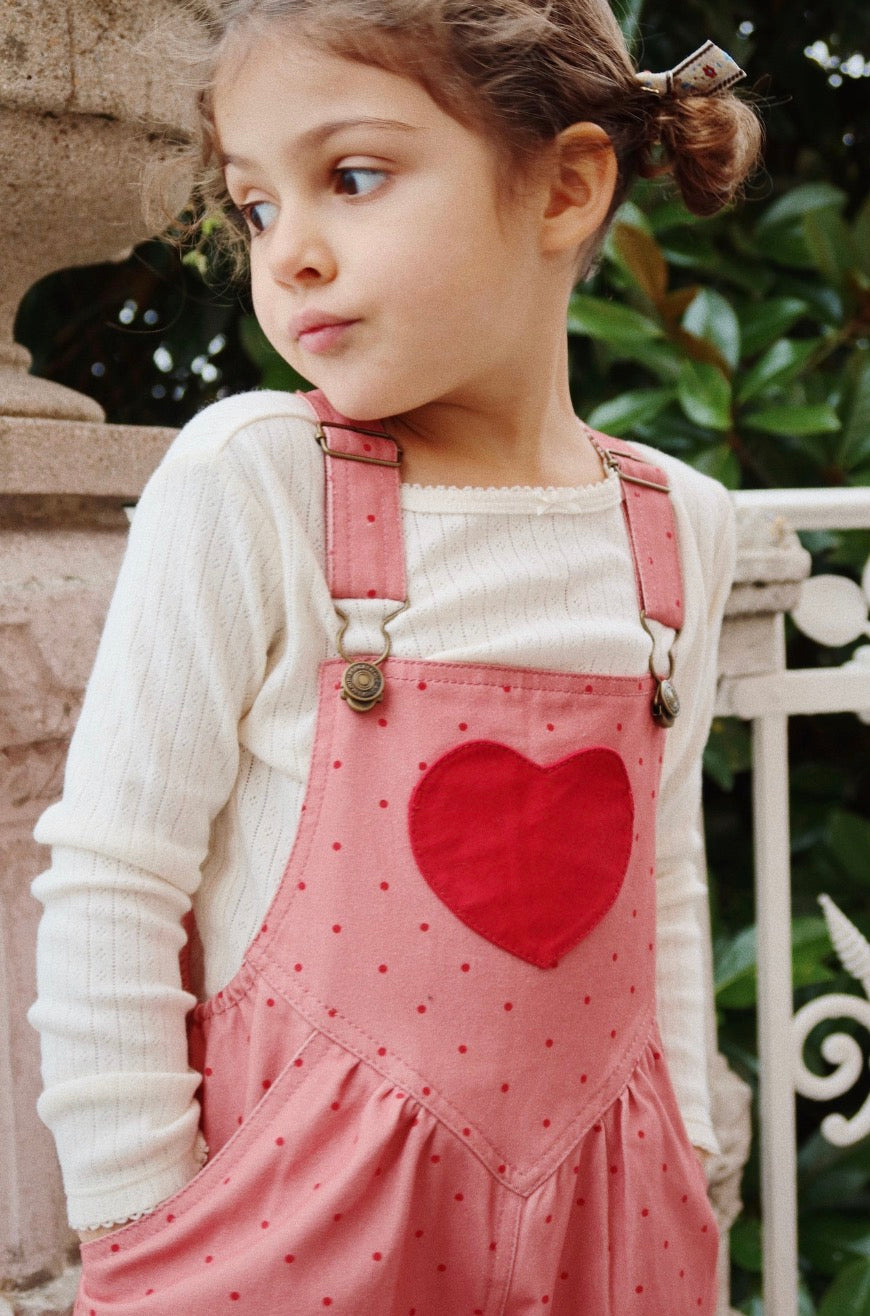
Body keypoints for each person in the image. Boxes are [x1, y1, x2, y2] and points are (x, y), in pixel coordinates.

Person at [28, 2, 762, 1311]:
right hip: (291, 1241)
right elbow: (114, 876)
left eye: (353, 177)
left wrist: (686, 1154)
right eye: (256, 206)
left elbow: (663, 871)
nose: (290, 252)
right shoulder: (258, 482)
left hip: (606, 1232)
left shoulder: (675, 528)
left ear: (566, 187)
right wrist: (141, 1223)